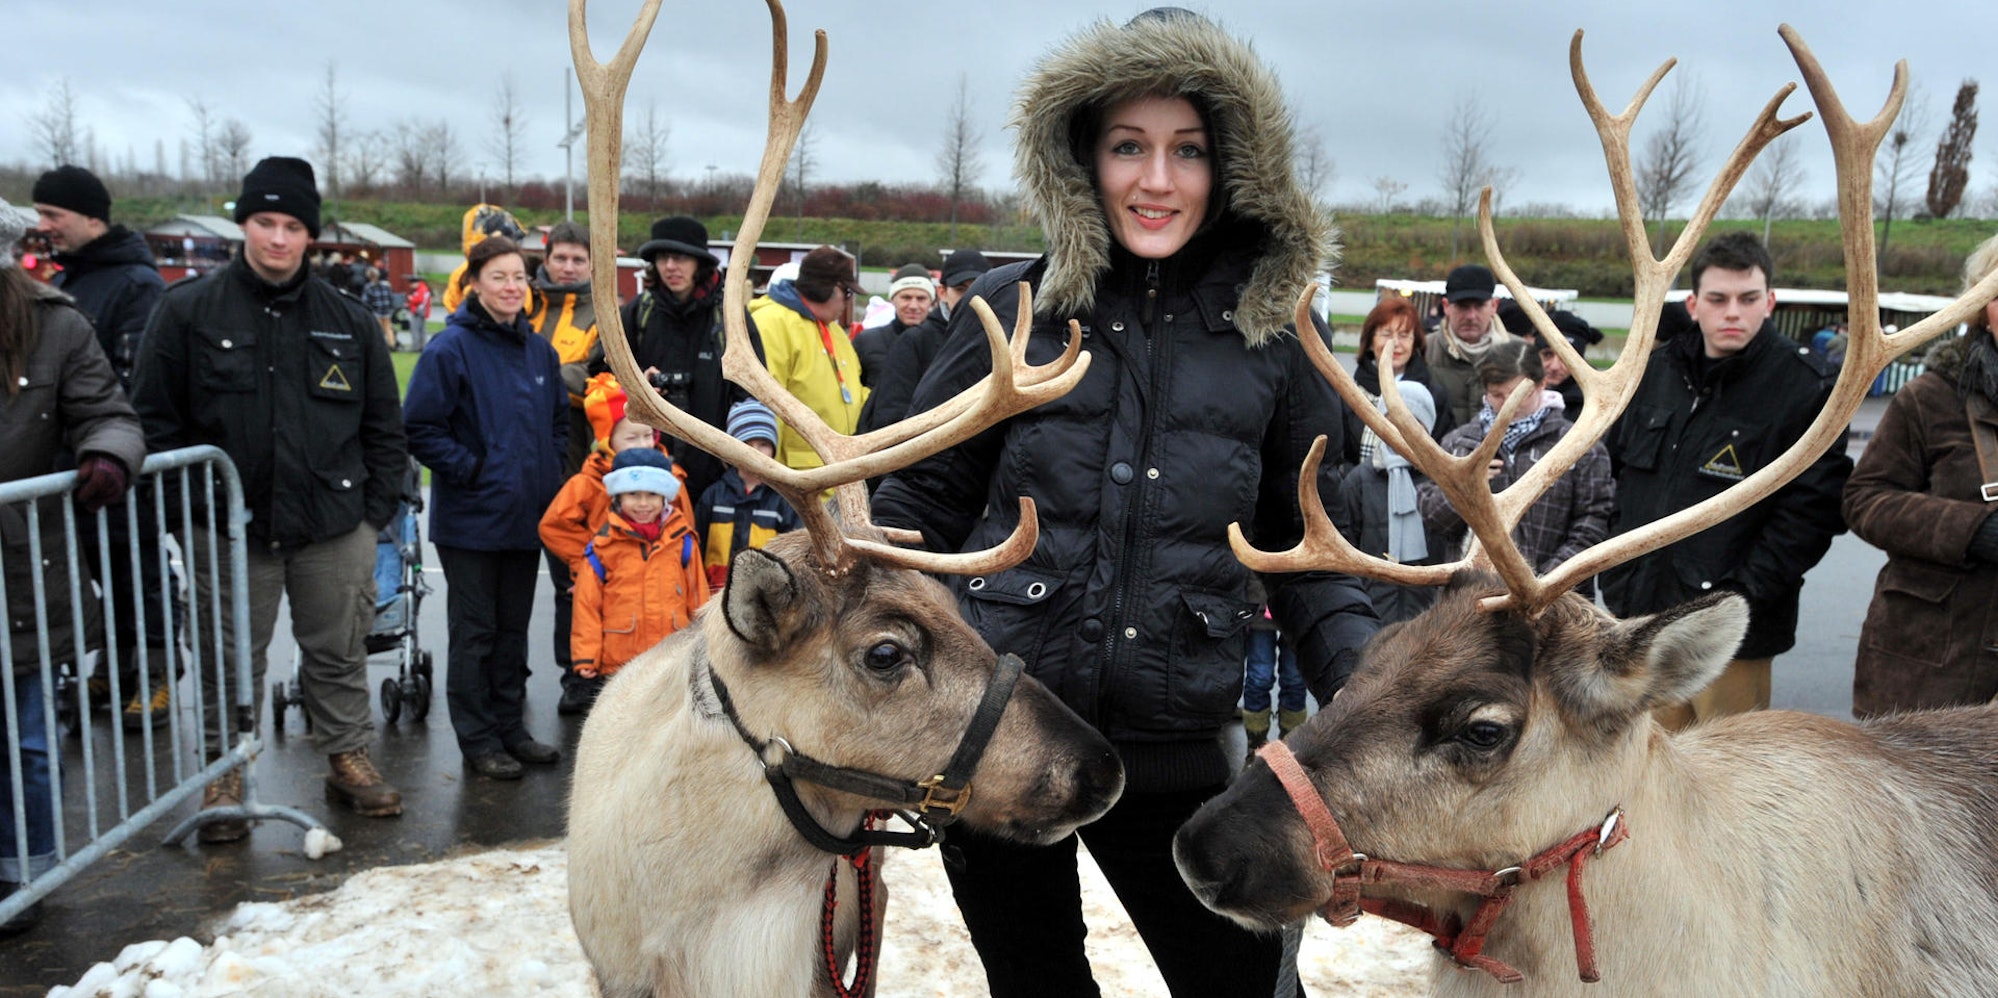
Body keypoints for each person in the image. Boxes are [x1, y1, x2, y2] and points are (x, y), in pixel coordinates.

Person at [869, 11, 1379, 995]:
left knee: (1242, 985)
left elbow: (1309, 548)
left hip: (1184, 754)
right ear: (1081, 158)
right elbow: (917, 509)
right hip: (1006, 737)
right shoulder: (1012, 311)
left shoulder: (1278, 342)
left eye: (1187, 150)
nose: (1157, 179)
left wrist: (1374, 687)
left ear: (1232, 165)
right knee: (1036, 982)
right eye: (1127, 147)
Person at [130, 157, 407, 838]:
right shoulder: (187, 311)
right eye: (264, 223)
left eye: (291, 226)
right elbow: (154, 425)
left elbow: (383, 431)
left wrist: (372, 522)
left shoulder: (349, 321)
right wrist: (186, 518)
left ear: (310, 235)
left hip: (334, 527)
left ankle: (347, 757)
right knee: (229, 656)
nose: (277, 239)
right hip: (228, 529)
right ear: (243, 226)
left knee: (339, 650)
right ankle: (226, 771)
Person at [1602, 231, 1851, 730]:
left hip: (1733, 636)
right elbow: (1616, 479)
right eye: (1718, 299)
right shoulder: (1654, 372)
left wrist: (1737, 599)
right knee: (1642, 774)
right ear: (1694, 304)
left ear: (1770, 302)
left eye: (1747, 298)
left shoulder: (1805, 388)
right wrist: (1618, 577)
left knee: (1726, 775)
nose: (1732, 312)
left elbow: (1809, 515)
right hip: (1643, 621)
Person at [1, 199, 145, 934]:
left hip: (19, 568)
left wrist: (107, 456)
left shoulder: (53, 324)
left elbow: (109, 410)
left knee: (26, 734)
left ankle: (24, 872)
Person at [403, 234, 566, 781]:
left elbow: (558, 426)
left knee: (512, 631)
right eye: (499, 277)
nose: (512, 287)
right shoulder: (449, 350)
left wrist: (548, 476)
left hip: (525, 519)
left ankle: (511, 728)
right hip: (471, 522)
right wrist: (473, 469)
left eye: (519, 277)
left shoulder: (540, 351)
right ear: (474, 282)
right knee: (475, 633)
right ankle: (477, 739)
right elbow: (421, 428)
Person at [31, 164, 175, 727]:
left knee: (137, 570)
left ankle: (158, 672)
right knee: (95, 572)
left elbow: (137, 379)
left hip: (119, 461)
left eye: (53, 214)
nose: (44, 225)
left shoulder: (136, 284)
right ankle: (114, 666)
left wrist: (116, 447)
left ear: (93, 218)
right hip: (71, 463)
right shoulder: (67, 280)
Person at [1842, 232, 1998, 717]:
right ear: (1978, 305)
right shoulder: (1929, 398)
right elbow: (1865, 499)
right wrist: (1974, 530)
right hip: (1928, 671)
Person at [539, 373, 693, 715]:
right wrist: (587, 559)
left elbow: (685, 532)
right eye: (630, 436)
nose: (642, 443)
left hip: (657, 579)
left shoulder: (671, 478)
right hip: (608, 576)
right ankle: (579, 678)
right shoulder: (589, 480)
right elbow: (554, 525)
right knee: (583, 617)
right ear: (607, 439)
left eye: (647, 435)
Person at [1418, 340, 1614, 597]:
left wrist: (1545, 583)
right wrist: (1464, 491)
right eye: (1497, 395)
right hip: (1469, 601)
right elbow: (1433, 520)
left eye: (1518, 395)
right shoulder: (1458, 443)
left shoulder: (1579, 446)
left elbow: (1592, 524)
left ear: (1541, 384)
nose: (1507, 404)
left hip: (1555, 602)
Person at [603, 216, 761, 504]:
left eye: (680, 258)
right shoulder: (639, 313)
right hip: (648, 475)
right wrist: (635, 385)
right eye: (663, 258)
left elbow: (753, 393)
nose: (670, 267)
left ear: (699, 264)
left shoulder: (730, 319)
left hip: (716, 473)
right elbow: (602, 378)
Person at [570, 448, 710, 682]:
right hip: (621, 659)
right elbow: (587, 605)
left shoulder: (683, 541)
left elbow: (698, 599)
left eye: (652, 494)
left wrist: (706, 647)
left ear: (664, 497)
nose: (643, 504)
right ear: (618, 497)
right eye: (633, 494)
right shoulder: (602, 547)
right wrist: (586, 654)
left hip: (671, 658)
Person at [748, 245, 868, 471]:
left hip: (836, 471)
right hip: (796, 476)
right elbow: (766, 402)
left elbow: (854, 391)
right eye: (848, 293)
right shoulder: (771, 323)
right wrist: (766, 472)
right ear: (828, 289)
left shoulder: (833, 331)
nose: (847, 303)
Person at [1340, 381, 1446, 622]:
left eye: (1411, 421)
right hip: (1373, 612)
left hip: (1431, 617)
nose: (1400, 429)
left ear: (1426, 426)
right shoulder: (1359, 481)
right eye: (1392, 420)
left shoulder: (1443, 480)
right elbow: (1346, 547)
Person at [859, 249, 992, 433]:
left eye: (977, 288)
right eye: (961, 289)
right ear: (943, 292)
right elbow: (891, 415)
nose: (970, 297)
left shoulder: (997, 341)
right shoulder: (914, 341)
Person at [692, 399, 804, 591]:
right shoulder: (713, 496)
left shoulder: (783, 501)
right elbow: (697, 547)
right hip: (713, 592)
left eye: (763, 444)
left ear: (773, 449)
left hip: (763, 598)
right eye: (746, 444)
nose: (755, 453)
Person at [526, 220, 602, 474]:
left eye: (578, 260)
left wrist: (536, 376)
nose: (568, 267)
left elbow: (597, 379)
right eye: (560, 258)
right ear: (546, 261)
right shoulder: (522, 303)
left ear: (592, 264)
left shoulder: (605, 316)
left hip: (570, 439)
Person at [1342, 294, 1452, 468]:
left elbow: (1443, 456)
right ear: (1370, 342)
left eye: (1404, 335)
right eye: (1386, 334)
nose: (1395, 343)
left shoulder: (1434, 397)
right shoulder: (1348, 395)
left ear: (1415, 342)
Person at [1426, 263, 1519, 426]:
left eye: (1479, 306)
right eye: (1462, 306)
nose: (1471, 316)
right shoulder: (1424, 350)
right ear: (1446, 306)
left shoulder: (1521, 353)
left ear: (1494, 306)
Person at [1499, 301, 1601, 415]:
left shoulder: (1595, 407)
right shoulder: (1506, 392)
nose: (1554, 366)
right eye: (1547, 355)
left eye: (1566, 358)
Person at [853, 263, 934, 388]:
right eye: (906, 298)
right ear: (893, 300)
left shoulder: (944, 344)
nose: (913, 306)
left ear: (931, 302)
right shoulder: (866, 341)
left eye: (921, 298)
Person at [361, 267, 398, 349]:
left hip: (376, 311)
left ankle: (380, 346)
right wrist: (391, 309)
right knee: (388, 329)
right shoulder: (386, 286)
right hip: (387, 311)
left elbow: (365, 301)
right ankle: (392, 344)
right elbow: (391, 298)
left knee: (378, 330)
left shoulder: (368, 287)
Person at [404, 276, 433, 351]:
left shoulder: (421, 289)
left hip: (418, 311)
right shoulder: (422, 288)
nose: (410, 286)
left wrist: (411, 299)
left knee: (415, 329)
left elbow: (420, 300)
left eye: (411, 284)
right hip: (420, 311)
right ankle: (422, 346)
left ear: (415, 283)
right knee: (421, 330)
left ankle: (416, 347)